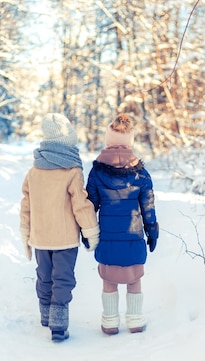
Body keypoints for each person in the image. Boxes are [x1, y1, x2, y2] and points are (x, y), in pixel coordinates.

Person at [20, 113, 100, 342]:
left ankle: (46, 315)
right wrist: (90, 231)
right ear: (68, 143)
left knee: (44, 276)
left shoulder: (34, 171)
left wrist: (25, 233)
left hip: (40, 237)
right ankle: (58, 323)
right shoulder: (72, 171)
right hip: (64, 239)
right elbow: (81, 205)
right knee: (63, 278)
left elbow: (26, 205)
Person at [86, 113, 159, 335]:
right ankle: (135, 320)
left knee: (109, 280)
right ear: (130, 142)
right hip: (133, 235)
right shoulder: (140, 172)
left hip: (108, 237)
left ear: (108, 140)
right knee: (134, 278)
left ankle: (110, 322)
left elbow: (91, 204)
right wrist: (152, 229)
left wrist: (87, 230)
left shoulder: (97, 171)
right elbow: (148, 204)